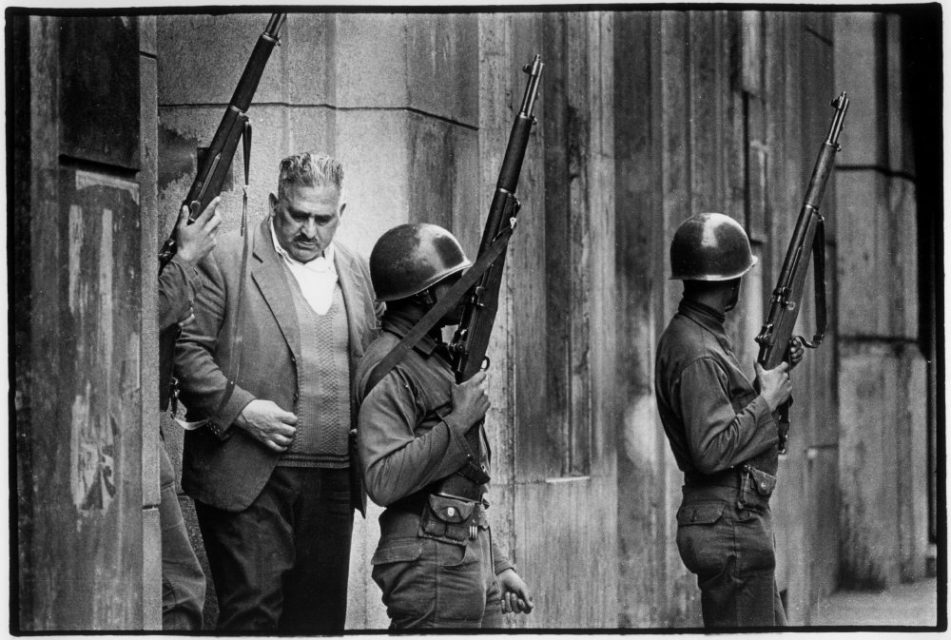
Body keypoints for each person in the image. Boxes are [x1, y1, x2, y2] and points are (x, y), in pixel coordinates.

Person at [173, 152, 381, 632]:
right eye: (297, 215)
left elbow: (372, 357)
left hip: (332, 481)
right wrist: (244, 411)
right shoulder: (226, 259)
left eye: (323, 219)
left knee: (320, 623)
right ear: (273, 203)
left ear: (340, 215)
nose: (309, 230)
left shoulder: (355, 268)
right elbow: (187, 353)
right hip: (251, 477)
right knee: (254, 618)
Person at [354, 223, 534, 629]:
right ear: (423, 296)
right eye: (454, 280)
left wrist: (498, 562)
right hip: (430, 560)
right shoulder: (391, 366)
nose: (468, 289)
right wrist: (459, 420)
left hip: (461, 551)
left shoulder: (430, 357)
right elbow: (382, 479)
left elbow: (461, 475)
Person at [654, 212, 803, 628]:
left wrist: (766, 386)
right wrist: (767, 401)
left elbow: (726, 428)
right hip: (729, 522)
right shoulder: (696, 347)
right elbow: (712, 449)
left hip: (733, 519)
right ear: (731, 283)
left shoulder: (700, 336)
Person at [157, 197, 221, 629]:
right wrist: (184, 260)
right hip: (127, 420)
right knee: (178, 591)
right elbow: (137, 318)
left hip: (143, 419)